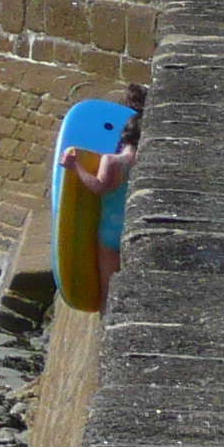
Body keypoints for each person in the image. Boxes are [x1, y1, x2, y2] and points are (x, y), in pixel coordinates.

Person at [59, 85, 144, 297]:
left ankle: (108, 325)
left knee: (109, 292)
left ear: (123, 137)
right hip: (134, 229)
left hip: (109, 232)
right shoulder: (143, 164)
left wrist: (75, 167)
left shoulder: (113, 161)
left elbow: (99, 187)